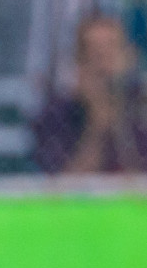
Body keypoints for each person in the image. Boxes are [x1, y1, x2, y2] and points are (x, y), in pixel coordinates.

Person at [35, 14, 147, 174]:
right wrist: (96, 127)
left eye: (111, 51)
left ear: (130, 57)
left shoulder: (141, 108)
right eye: (94, 54)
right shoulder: (55, 115)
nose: (103, 65)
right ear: (78, 62)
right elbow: (63, 188)